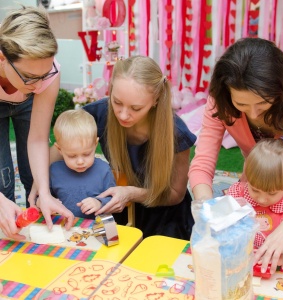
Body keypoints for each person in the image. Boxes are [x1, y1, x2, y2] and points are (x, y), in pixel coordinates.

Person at [50, 55, 196, 239]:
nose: (123, 115)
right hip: (117, 206)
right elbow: (59, 150)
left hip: (166, 216)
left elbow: (175, 194)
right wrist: (42, 190)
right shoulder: (100, 113)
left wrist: (130, 193)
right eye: (117, 102)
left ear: (156, 100)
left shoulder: (176, 133)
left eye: (135, 108)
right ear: (110, 89)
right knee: (105, 256)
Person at [188, 37, 283, 273]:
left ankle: (277, 257)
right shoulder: (220, 103)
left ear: (280, 89)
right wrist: (206, 209)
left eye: (262, 103)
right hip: (258, 187)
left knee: (280, 242)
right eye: (242, 104)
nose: (253, 113)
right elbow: (203, 162)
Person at [0, 6, 74, 240]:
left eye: (45, 76)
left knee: (36, 179)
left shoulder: (45, 75)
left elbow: (39, 138)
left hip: (25, 104)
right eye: (30, 77)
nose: (39, 85)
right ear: (3, 58)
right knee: (2, 179)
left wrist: (44, 191)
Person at [227, 139, 283, 265]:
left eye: (272, 193)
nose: (261, 199)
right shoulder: (237, 194)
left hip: (274, 269)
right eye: (254, 189)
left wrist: (277, 259)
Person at [44, 109, 115, 219]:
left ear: (95, 144)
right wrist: (43, 201)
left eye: (86, 154)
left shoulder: (103, 170)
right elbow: (42, 197)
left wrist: (99, 202)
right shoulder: (54, 171)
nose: (80, 161)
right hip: (64, 228)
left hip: (97, 229)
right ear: (59, 149)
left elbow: (112, 198)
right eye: (72, 156)